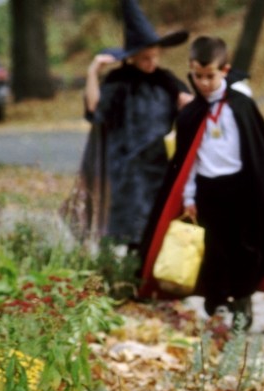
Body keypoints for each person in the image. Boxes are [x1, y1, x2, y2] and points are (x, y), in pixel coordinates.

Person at [138, 36, 264, 330]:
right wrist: (189, 197)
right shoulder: (191, 114)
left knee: (245, 248)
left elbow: (259, 152)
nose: (204, 83)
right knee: (213, 250)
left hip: (242, 189)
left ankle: (243, 300)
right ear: (190, 73)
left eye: (211, 76)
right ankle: (217, 304)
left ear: (225, 70)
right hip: (208, 191)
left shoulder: (242, 106)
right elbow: (188, 162)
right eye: (198, 76)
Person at [64, 0, 192, 250]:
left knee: (156, 226)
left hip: (159, 165)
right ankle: (124, 278)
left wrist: (185, 103)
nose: (151, 63)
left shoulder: (165, 80)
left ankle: (148, 280)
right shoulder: (118, 80)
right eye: (145, 58)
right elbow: (93, 109)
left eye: (155, 57)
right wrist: (93, 72)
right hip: (126, 166)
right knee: (126, 228)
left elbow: (187, 104)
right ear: (132, 57)